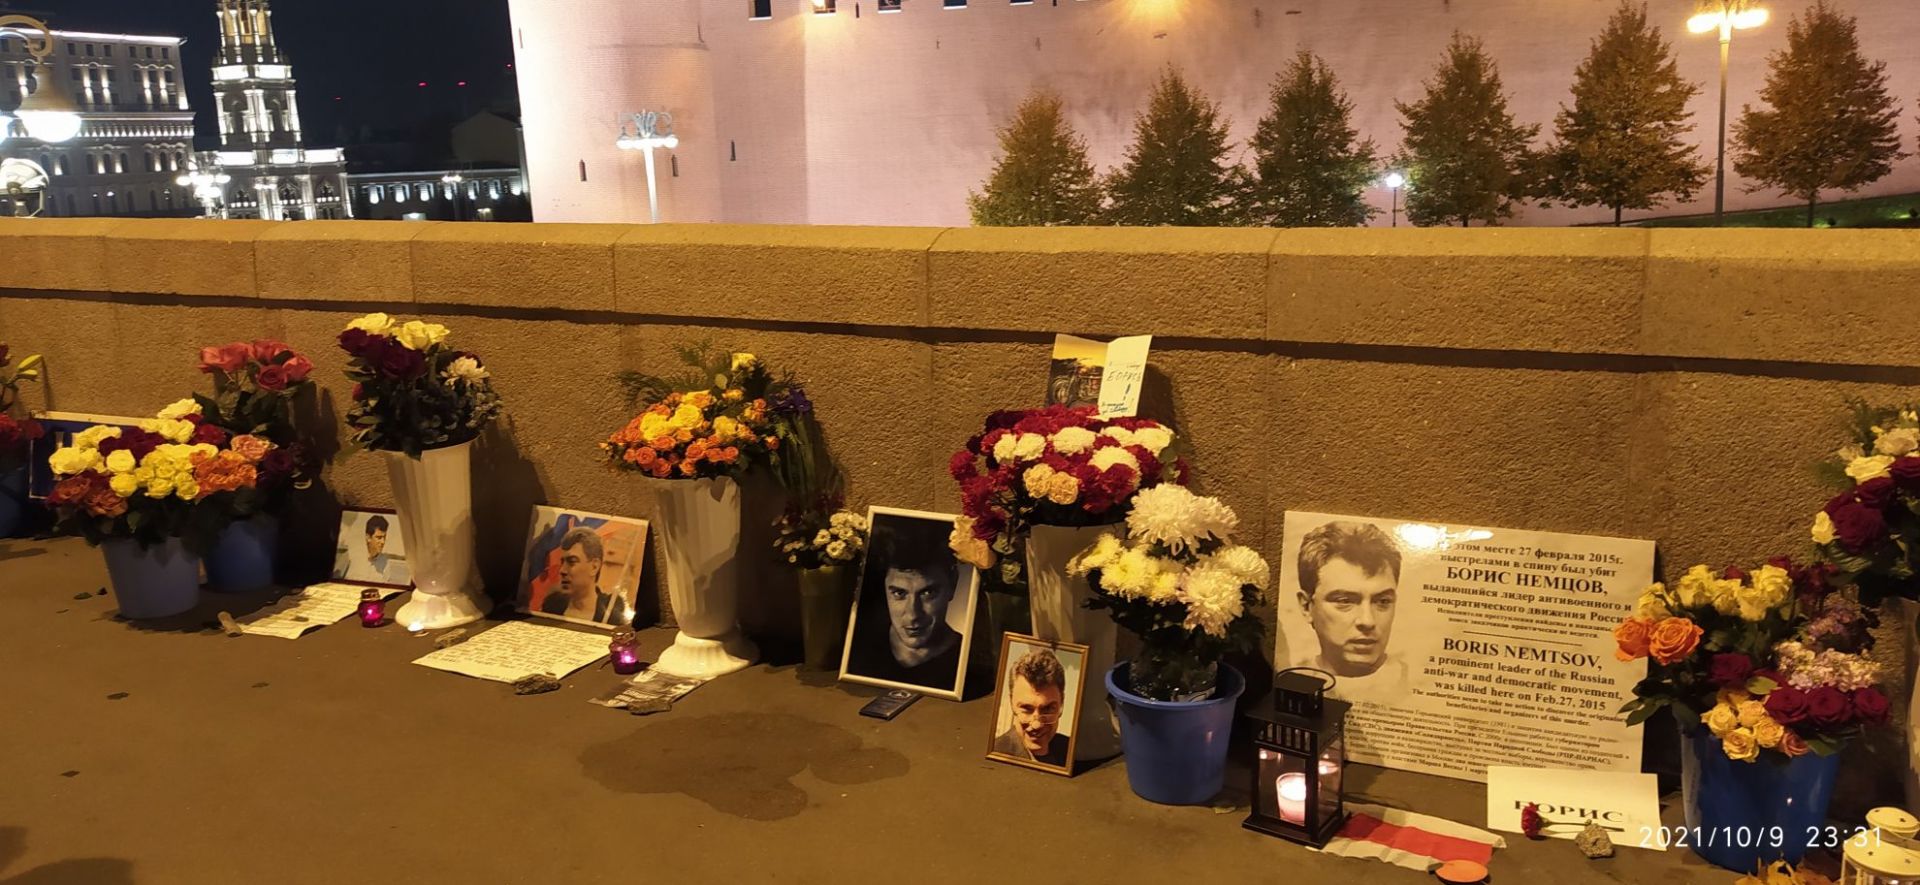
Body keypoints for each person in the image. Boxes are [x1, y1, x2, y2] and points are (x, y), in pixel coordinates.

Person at [846, 516, 966, 691]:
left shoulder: (968, 663)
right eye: (899, 593)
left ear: (953, 584)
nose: (913, 615)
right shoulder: (858, 648)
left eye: (927, 593)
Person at [1295, 520, 1408, 704]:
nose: (1367, 621)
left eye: (1383, 601)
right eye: (1344, 601)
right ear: (1306, 606)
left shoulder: (1417, 685)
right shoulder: (1291, 678)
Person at [992, 646, 1071, 767]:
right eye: (1027, 709)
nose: (1036, 725)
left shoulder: (1072, 750)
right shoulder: (996, 753)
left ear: (1062, 703)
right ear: (1012, 703)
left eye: (1048, 709)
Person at [540, 526, 626, 625]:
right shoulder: (551, 607)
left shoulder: (611, 619)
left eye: (572, 562)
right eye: (562, 562)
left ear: (594, 567)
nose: (562, 570)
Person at [336, 514, 407, 584]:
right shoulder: (350, 556)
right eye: (379, 537)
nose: (383, 542)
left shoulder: (385, 563)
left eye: (384, 537)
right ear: (368, 538)